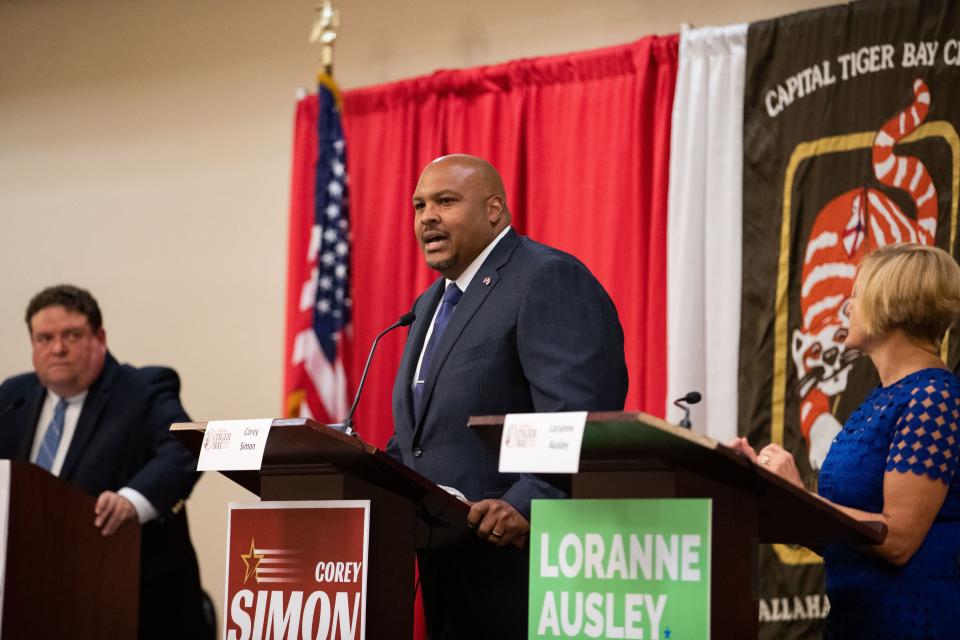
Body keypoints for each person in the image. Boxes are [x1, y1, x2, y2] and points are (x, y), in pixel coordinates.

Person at [386, 154, 629, 639]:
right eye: (418, 206)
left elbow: (578, 414)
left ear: (494, 210)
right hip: (444, 559)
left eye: (445, 202)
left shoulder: (545, 278)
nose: (426, 216)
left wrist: (527, 502)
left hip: (523, 558)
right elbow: (421, 437)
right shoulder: (428, 304)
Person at [731, 243, 960, 638]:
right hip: (856, 622)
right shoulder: (880, 398)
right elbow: (845, 536)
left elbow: (898, 538)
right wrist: (766, 491)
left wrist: (798, 497)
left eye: (855, 295)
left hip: (912, 623)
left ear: (890, 304)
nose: (848, 307)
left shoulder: (933, 398)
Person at [0, 285, 209, 639]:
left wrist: (132, 501)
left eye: (72, 335)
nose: (58, 348)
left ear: (100, 337)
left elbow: (185, 447)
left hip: (131, 600)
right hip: (29, 599)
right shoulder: (12, 396)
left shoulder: (143, 388)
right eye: (44, 338)